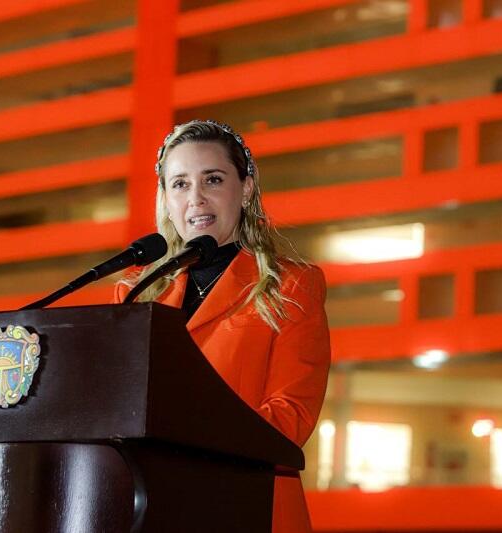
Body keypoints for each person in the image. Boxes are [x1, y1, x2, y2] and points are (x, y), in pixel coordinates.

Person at [114, 119, 331, 533]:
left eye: (212, 179)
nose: (196, 198)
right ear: (164, 198)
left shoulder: (293, 287)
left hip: (248, 505)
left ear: (246, 189)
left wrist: (188, 445)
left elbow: (290, 418)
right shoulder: (135, 295)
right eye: (179, 184)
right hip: (150, 509)